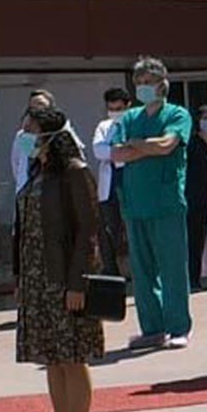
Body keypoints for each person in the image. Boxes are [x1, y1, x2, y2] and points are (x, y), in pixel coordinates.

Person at [13, 104, 102, 412]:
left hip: (65, 278)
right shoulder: (38, 171)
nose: (24, 135)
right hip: (38, 277)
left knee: (72, 356)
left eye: (30, 129)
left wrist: (78, 281)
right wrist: (20, 277)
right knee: (52, 357)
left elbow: (88, 230)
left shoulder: (74, 172)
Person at [111, 58, 193, 351]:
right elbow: (117, 154)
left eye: (149, 81)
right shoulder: (130, 117)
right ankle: (152, 329)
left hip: (167, 203)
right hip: (135, 205)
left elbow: (168, 145)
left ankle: (178, 327)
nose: (143, 87)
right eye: (139, 82)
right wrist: (148, 147)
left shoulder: (177, 114)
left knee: (172, 267)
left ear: (162, 83)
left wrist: (139, 145)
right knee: (142, 271)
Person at [89, 87, 132, 278]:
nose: (115, 112)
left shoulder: (135, 124)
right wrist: (123, 151)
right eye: (111, 108)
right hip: (110, 188)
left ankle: (136, 269)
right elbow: (99, 151)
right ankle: (111, 272)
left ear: (128, 106)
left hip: (131, 183)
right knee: (108, 232)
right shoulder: (103, 127)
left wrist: (114, 151)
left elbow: (138, 149)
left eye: (119, 108)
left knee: (132, 230)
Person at [185, 104, 207, 290]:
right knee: (195, 240)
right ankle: (193, 278)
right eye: (205, 118)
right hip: (195, 199)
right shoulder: (190, 146)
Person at [12, 88, 57, 194]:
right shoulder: (23, 136)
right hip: (28, 192)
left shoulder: (60, 133)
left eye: (40, 104)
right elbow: (18, 163)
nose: (36, 109)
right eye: (32, 106)